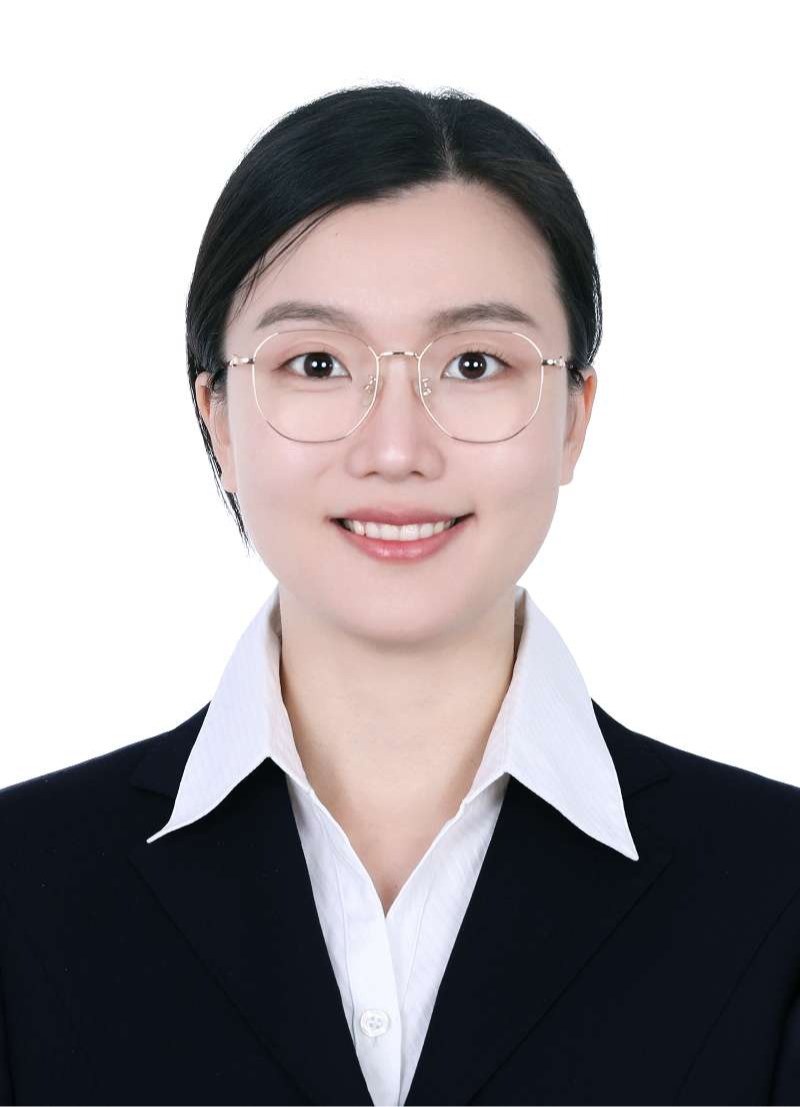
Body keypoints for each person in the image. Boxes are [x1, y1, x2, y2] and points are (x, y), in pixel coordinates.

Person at [1, 83, 799, 1107]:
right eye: (316, 363)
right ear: (219, 420)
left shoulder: (776, 889)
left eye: (473, 363)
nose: (394, 449)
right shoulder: (21, 889)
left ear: (572, 418)